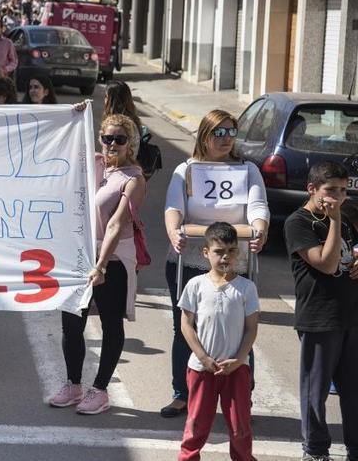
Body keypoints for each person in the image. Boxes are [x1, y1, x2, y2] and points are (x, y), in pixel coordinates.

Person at [161, 109, 269, 419]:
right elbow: (173, 206)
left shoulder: (248, 169)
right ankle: (183, 392)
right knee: (185, 325)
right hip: (192, 259)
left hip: (232, 261)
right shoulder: (187, 169)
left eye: (230, 132)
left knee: (240, 325)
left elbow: (258, 205)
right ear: (204, 136)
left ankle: (241, 392)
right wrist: (174, 231)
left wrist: (259, 230)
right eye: (218, 133)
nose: (225, 139)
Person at [48, 114, 146, 415]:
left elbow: (117, 224)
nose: (112, 145)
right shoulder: (95, 163)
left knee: (110, 323)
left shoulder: (134, 178)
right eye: (107, 138)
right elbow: (60, 150)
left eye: (120, 139)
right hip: (80, 256)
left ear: (131, 143)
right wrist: (73, 115)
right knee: (71, 322)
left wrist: (101, 265)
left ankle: (100, 390)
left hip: (112, 259)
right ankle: (73, 384)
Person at [284, 161, 358, 461]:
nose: (338, 197)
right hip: (320, 317)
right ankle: (315, 449)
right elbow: (327, 264)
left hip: (352, 315)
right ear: (311, 189)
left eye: (343, 190)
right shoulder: (298, 222)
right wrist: (336, 220)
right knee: (316, 392)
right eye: (331, 191)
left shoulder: (348, 215)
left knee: (354, 391)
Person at [177, 222, 260, 461]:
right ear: (206, 252)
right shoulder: (196, 285)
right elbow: (186, 325)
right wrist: (203, 357)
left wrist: (239, 359)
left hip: (236, 368)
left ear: (238, 252)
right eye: (218, 251)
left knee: (240, 425)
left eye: (231, 250)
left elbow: (251, 328)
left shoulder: (247, 288)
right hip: (203, 368)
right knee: (197, 423)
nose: (225, 256)